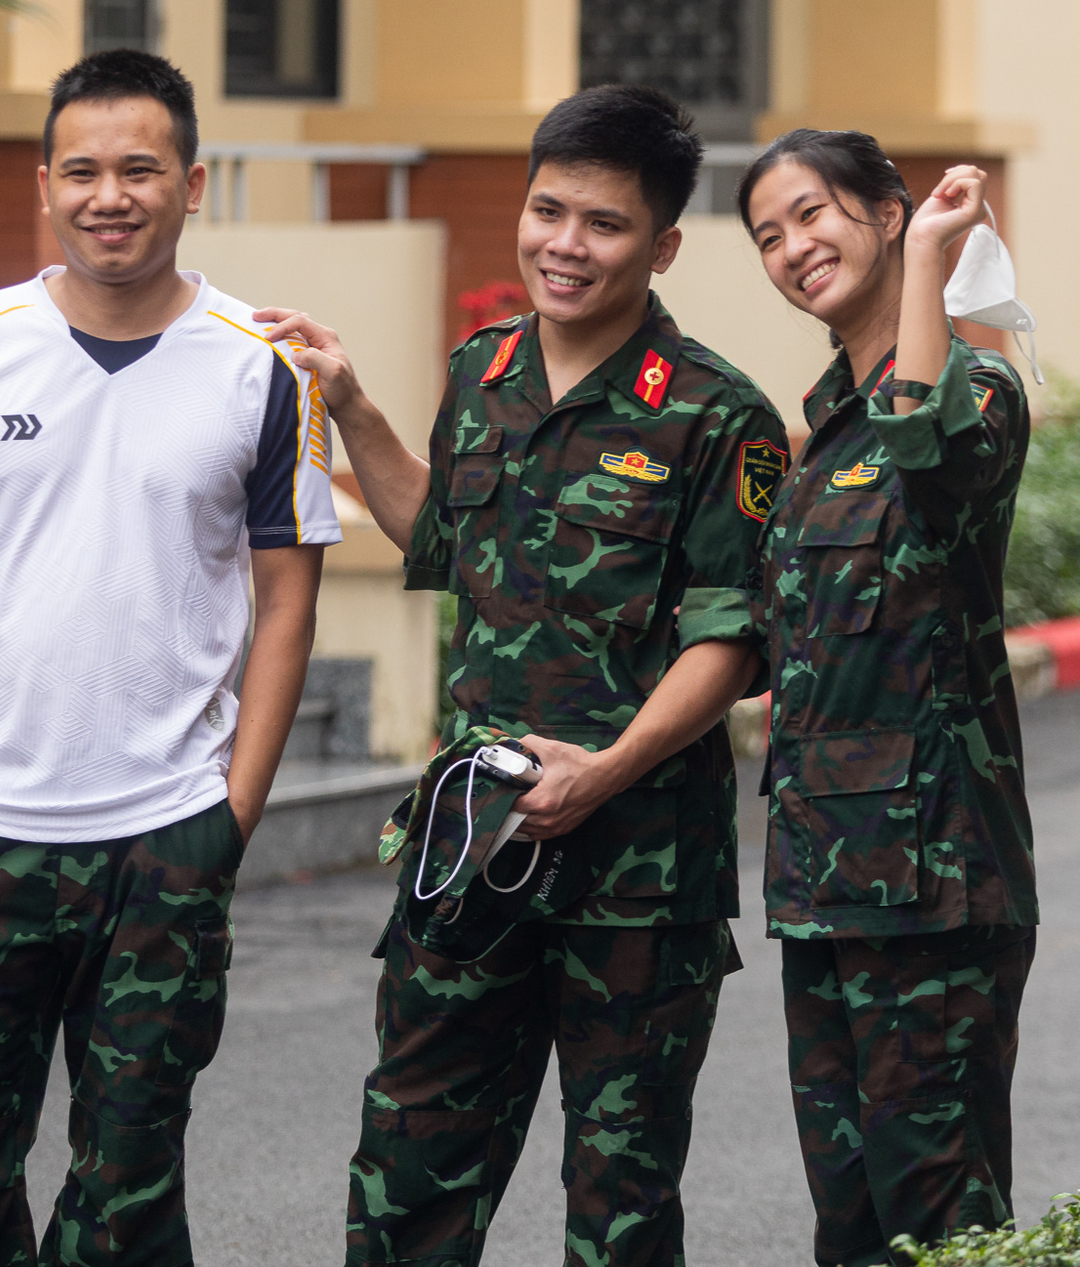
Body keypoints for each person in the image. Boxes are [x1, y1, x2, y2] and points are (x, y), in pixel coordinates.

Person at [261, 85, 789, 1267]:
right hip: (475, 845)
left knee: (619, 1196)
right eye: (546, 210)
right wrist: (350, 407)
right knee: (408, 1170)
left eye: (601, 225)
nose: (563, 243)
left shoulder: (717, 415)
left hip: (639, 873)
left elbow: (729, 641)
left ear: (659, 248)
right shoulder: (484, 370)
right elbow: (438, 541)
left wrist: (603, 772)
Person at [0, 48, 336, 1266]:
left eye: (140, 168)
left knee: (125, 1198)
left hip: (160, 842)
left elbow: (287, 603)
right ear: (44, 185)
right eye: (80, 170)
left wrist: (227, 816)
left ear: (192, 183)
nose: (108, 194)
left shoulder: (263, 361)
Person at [738, 131, 1036, 1265]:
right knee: (851, 1224)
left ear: (883, 213)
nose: (791, 247)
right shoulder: (815, 444)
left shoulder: (978, 393)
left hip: (935, 890)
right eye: (767, 235)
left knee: (941, 1222)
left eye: (811, 214)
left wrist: (928, 265)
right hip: (821, 886)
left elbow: (922, 438)